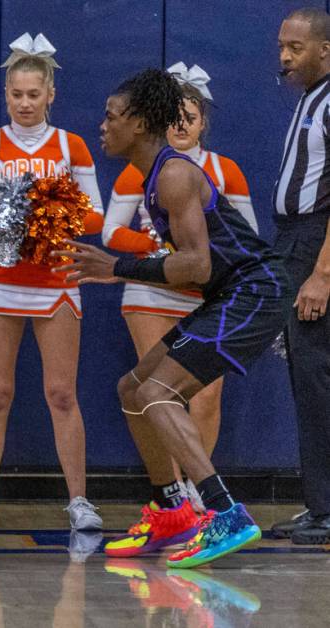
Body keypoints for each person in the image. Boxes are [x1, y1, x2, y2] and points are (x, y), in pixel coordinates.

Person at [55, 68, 290, 567]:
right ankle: (171, 510)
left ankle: (225, 512)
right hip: (229, 293)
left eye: (111, 116)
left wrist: (117, 267)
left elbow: (197, 266)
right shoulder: (152, 177)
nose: (102, 125)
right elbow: (195, 270)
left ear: (139, 123)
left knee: (157, 392)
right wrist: (123, 268)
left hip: (254, 292)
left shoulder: (175, 173)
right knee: (132, 387)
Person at [0, 33, 105, 532]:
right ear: (6, 94)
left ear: (51, 94)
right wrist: (6, 217)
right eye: (15, 94)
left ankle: (79, 501)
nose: (23, 103)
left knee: (62, 393)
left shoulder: (71, 145)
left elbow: (97, 217)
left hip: (56, 281)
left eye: (33, 95)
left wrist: (52, 216)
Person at [103, 63, 258, 515]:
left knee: (193, 395)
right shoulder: (144, 169)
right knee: (144, 390)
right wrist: (157, 252)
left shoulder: (205, 171)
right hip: (155, 290)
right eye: (176, 117)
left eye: (191, 116)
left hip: (212, 291)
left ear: (202, 121)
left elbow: (235, 243)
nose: (182, 125)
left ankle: (208, 502)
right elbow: (113, 231)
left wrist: (172, 258)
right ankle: (174, 503)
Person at [270, 8, 330, 545]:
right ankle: (318, 504)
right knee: (306, 379)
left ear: (325, 50)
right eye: (281, 47)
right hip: (295, 243)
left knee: (316, 377)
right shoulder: (311, 99)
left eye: (295, 47)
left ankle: (327, 509)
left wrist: (323, 272)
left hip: (316, 246)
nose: (284, 57)